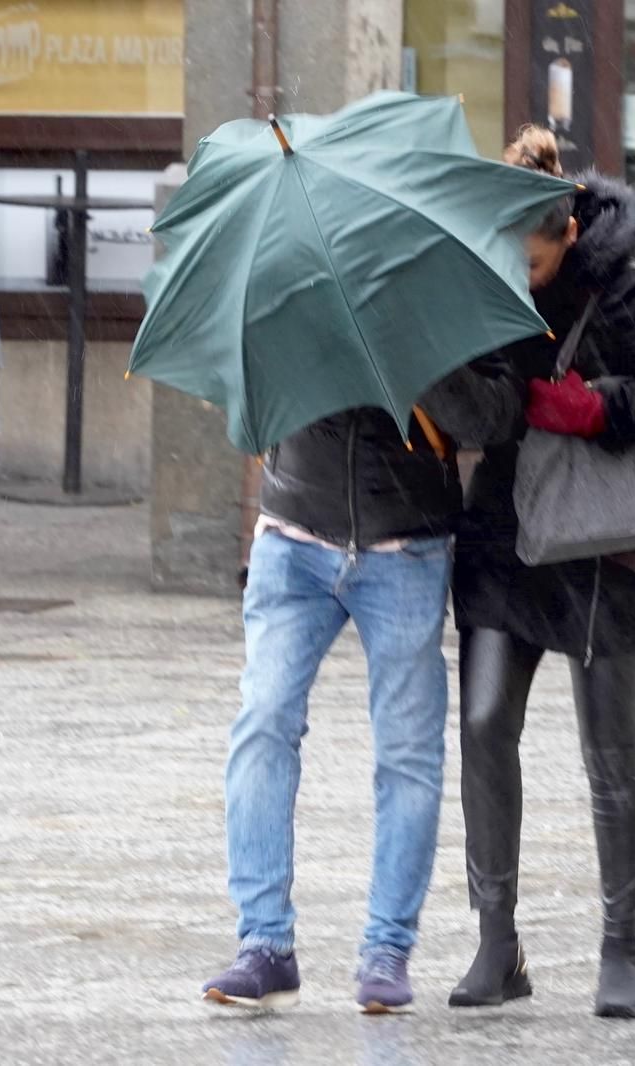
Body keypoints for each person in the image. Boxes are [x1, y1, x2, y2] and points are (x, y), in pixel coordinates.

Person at [446, 126, 635, 1019]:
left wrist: (599, 407)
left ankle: (620, 947)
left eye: (531, 261)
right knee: (485, 724)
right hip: (507, 537)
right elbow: (487, 419)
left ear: (566, 232)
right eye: (507, 258)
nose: (519, 274)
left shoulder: (626, 292)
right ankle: (497, 943)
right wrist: (455, 377)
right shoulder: (484, 291)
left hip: (611, 553)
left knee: (610, 750)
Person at [198, 321, 518, 1013]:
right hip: (293, 536)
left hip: (407, 546)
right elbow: (243, 415)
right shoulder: (290, 277)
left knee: (408, 753)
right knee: (262, 721)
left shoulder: (441, 279)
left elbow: (492, 416)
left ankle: (387, 948)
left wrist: (409, 346)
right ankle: (264, 945)